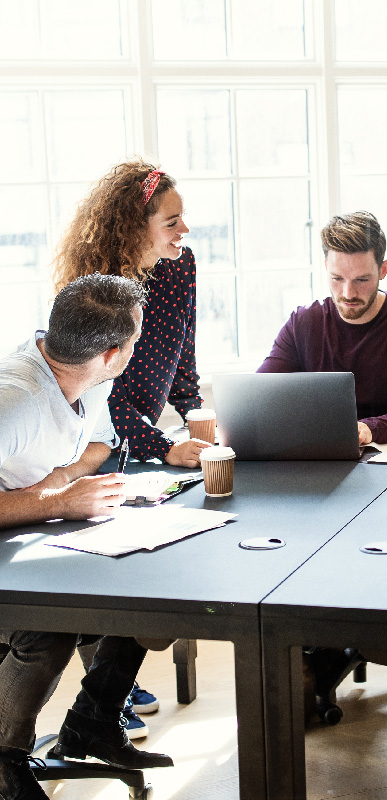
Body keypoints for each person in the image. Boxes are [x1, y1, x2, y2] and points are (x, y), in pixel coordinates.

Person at [0, 274, 172, 800]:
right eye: (137, 340)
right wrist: (57, 501)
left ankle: (91, 724)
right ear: (111, 352)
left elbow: (97, 445)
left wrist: (59, 482)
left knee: (138, 580)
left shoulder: (91, 375)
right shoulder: (14, 402)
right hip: (14, 547)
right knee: (47, 628)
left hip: (35, 532)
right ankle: (4, 760)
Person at [52, 158, 211, 468]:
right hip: (100, 443)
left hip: (147, 439)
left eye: (183, 217)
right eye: (171, 222)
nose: (185, 229)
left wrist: (198, 419)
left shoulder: (181, 266)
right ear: (137, 229)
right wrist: (164, 447)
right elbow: (101, 391)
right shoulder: (97, 293)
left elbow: (182, 352)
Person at [257, 211, 387, 444]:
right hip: (322, 462)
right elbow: (259, 398)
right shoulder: (303, 323)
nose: (348, 293)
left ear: (383, 270)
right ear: (326, 267)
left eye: (361, 280)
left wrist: (370, 428)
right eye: (337, 278)